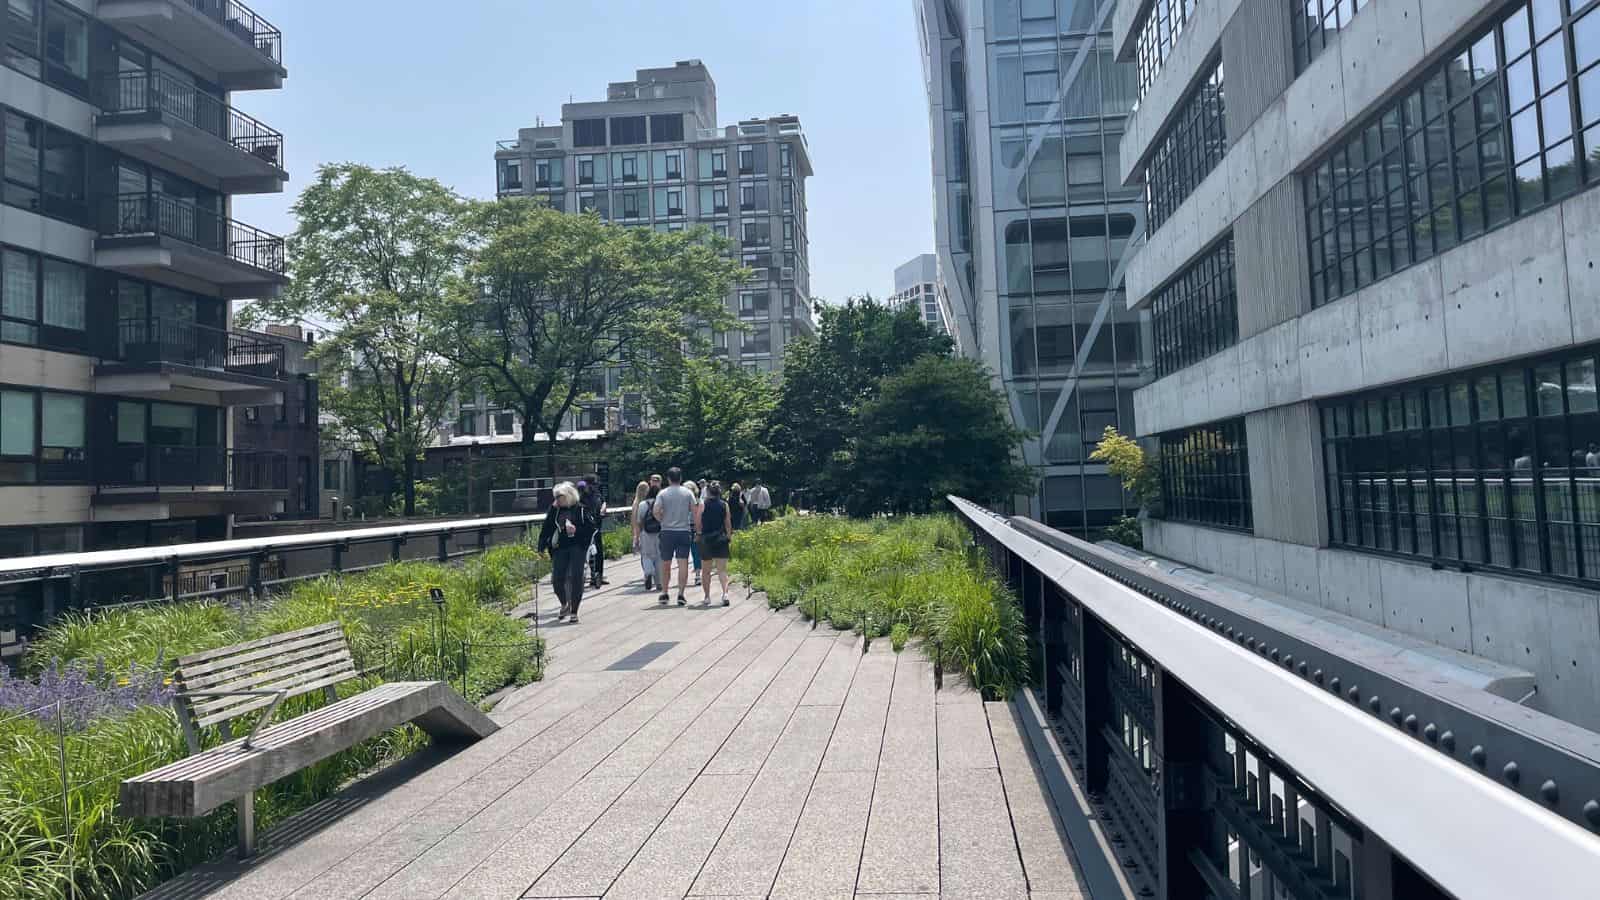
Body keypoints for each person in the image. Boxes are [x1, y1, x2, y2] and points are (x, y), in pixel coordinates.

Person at [537, 481, 595, 624]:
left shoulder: (581, 510)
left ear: (568, 496)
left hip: (577, 546)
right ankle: (564, 604)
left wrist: (576, 530)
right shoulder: (555, 510)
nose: (556, 499)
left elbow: (591, 528)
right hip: (560, 547)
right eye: (555, 496)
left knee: (576, 577)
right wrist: (541, 547)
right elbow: (546, 528)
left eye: (559, 496)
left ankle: (574, 611)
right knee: (557, 578)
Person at [652, 467, 696, 606]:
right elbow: (694, 510)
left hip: (667, 531)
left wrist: (662, 520)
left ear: (668, 478)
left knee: (666, 563)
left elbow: (656, 510)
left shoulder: (663, 493)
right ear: (681, 478)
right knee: (683, 563)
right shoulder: (688, 492)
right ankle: (681, 594)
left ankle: (664, 593)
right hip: (684, 530)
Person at [697, 482, 733, 606]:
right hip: (720, 538)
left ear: (708, 492)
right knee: (722, 570)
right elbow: (727, 522)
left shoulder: (703, 504)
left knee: (706, 571)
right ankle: (725, 594)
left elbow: (698, 521)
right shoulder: (724, 505)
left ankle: (707, 597)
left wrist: (698, 533)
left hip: (706, 539)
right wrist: (729, 536)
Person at [579, 477, 608, 589]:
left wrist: (603, 508)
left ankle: (598, 576)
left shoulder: (597, 494)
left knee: (599, 552)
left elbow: (603, 501)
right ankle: (591, 576)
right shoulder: (581, 497)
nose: (595, 486)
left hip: (597, 527)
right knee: (589, 553)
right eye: (593, 484)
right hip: (586, 528)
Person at [632, 481, 660, 591]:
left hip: (646, 533)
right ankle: (659, 582)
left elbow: (639, 522)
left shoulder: (642, 505)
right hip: (659, 533)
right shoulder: (660, 503)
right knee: (659, 556)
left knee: (646, 555)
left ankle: (648, 573)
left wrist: (637, 537)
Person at [684, 480, 703, 586]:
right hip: (692, 529)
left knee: (686, 554)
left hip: (688, 528)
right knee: (695, 553)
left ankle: (696, 574)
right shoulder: (699, 501)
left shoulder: (683, 503)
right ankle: (697, 575)